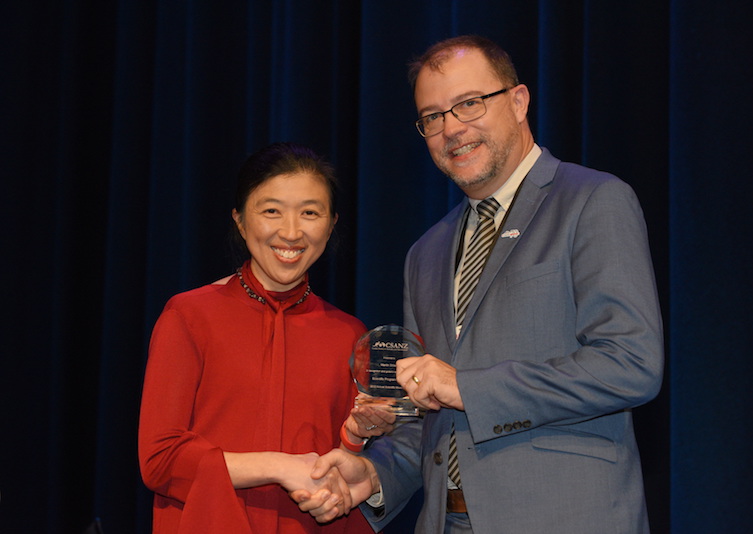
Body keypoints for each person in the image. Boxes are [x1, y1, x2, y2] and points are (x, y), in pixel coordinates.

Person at [293, 35, 664, 533]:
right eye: (432, 117)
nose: (451, 129)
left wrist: (465, 386)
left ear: (518, 101)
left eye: (468, 104)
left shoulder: (593, 201)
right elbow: (426, 416)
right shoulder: (424, 254)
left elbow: (630, 364)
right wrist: (373, 475)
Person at [138, 142, 391, 533]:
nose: (291, 232)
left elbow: (344, 468)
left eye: (310, 213)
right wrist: (280, 467)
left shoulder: (349, 334)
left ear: (332, 223)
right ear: (240, 221)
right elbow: (159, 460)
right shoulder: (189, 316)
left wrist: (357, 438)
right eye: (271, 211)